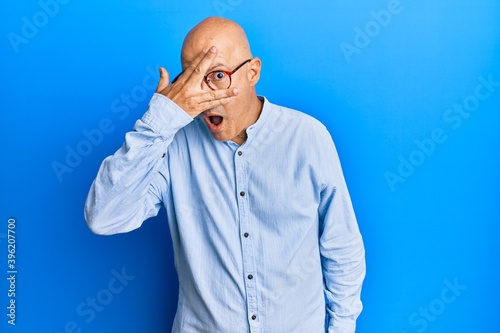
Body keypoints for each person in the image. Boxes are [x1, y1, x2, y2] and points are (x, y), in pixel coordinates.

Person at [84, 17, 365, 333]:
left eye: (217, 75)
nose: (204, 96)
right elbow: (103, 217)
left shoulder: (309, 137)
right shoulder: (172, 142)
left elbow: (342, 246)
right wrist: (159, 120)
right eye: (191, 78)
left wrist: (342, 327)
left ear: (252, 72)